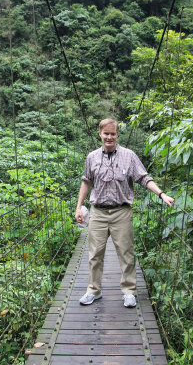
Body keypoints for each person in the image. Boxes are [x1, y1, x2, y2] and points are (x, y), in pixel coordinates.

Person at [75, 118, 174, 308]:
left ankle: (129, 291)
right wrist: (79, 207)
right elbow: (86, 181)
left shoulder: (129, 156)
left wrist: (161, 194)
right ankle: (93, 291)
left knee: (126, 253)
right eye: (106, 134)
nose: (109, 137)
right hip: (98, 212)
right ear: (100, 134)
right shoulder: (92, 157)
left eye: (113, 134)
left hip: (122, 212)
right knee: (95, 254)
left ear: (117, 135)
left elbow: (144, 178)